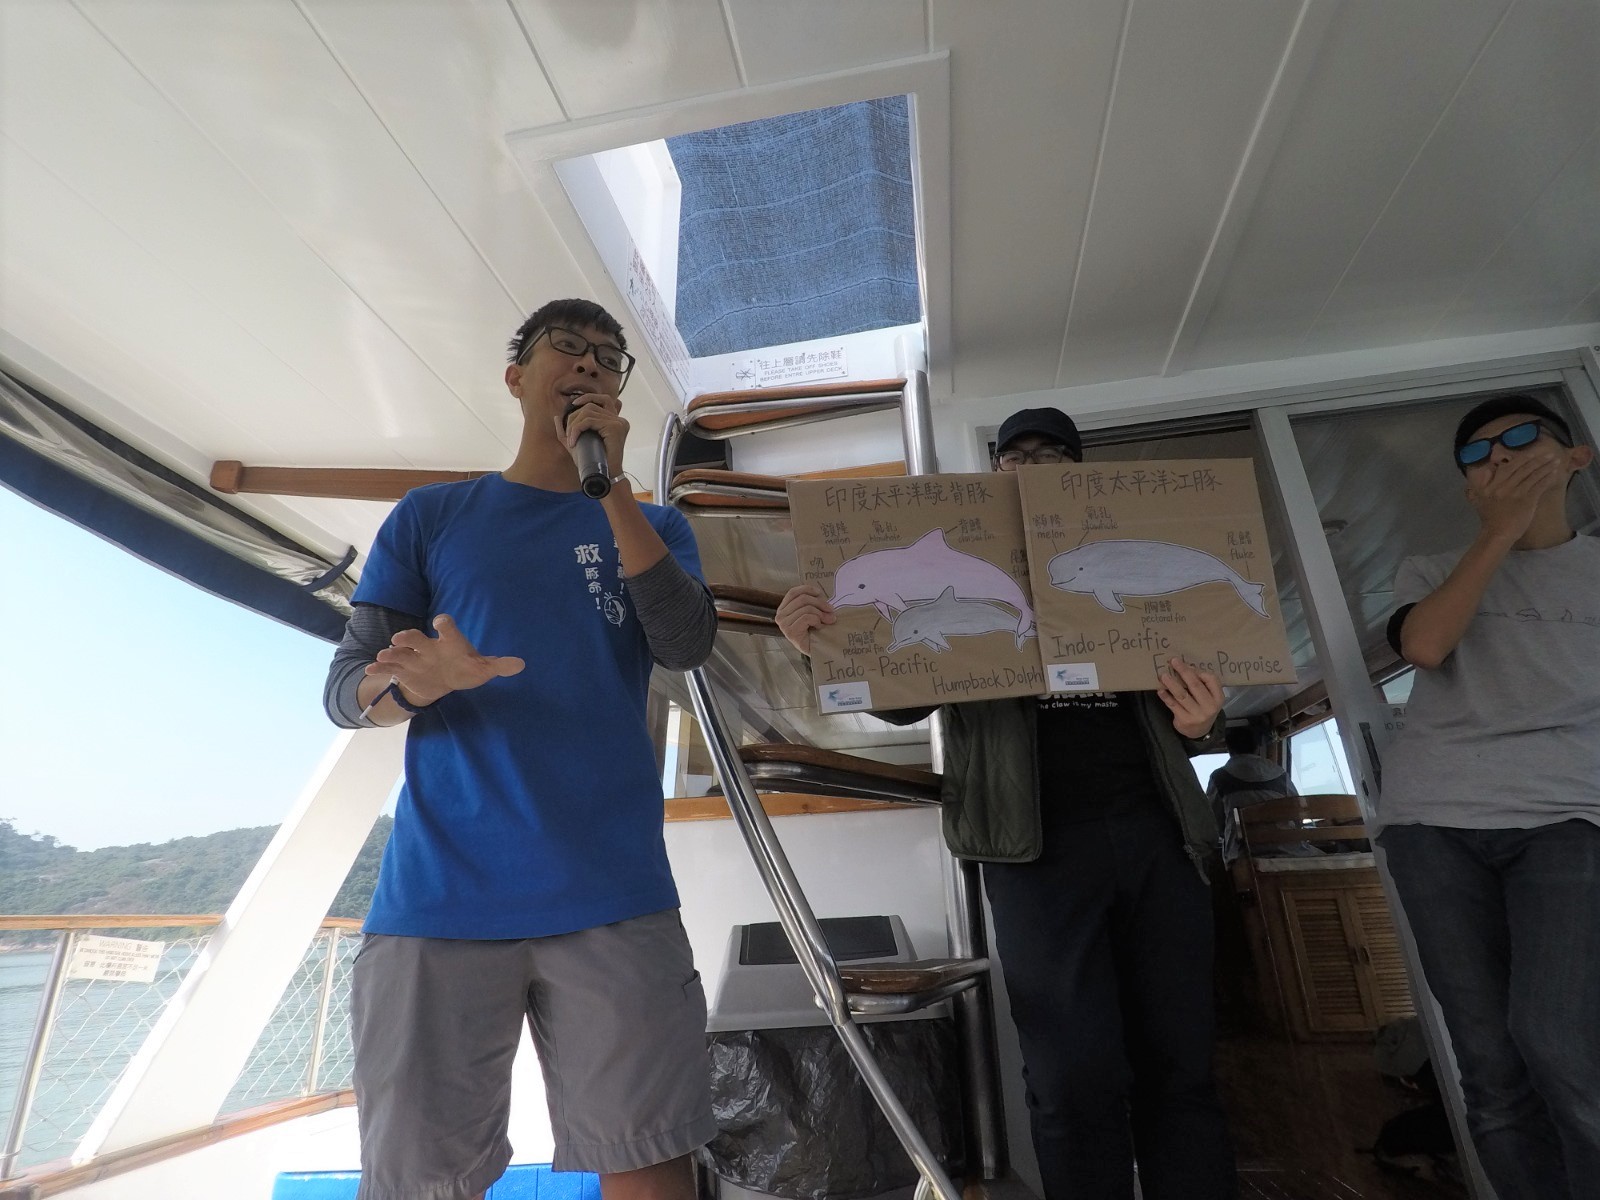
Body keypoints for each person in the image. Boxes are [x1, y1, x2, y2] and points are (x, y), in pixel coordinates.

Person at [775, 408, 1236, 1200]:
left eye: (1055, 454)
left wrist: (1205, 722)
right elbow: (897, 701)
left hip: (1164, 837)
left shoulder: (1117, 560)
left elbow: (1198, 696)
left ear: (1079, 475)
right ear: (994, 471)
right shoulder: (947, 571)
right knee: (1068, 1076)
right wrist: (821, 641)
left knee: (1183, 1064)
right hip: (1033, 853)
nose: (1033, 465)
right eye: (1015, 455)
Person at [322, 299, 719, 1200]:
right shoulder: (432, 517)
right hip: (439, 899)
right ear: (516, 376)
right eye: (566, 349)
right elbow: (346, 690)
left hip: (613, 890)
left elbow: (686, 644)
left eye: (608, 359)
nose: (588, 366)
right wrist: (416, 685)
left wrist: (612, 489)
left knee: (651, 1161)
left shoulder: (659, 527)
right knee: (416, 1177)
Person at [1381, 393, 1600, 1198]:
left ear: (1576, 457)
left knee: (1561, 1043)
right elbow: (1426, 644)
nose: (1498, 457)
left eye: (1518, 439)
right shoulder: (1432, 570)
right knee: (1488, 1063)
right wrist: (1500, 532)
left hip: (1571, 818)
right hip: (1434, 822)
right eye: (1478, 455)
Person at [1206, 725, 1297, 863]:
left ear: (1229, 749)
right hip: (1289, 852)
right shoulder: (1280, 774)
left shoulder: (1219, 777)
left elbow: (1214, 823)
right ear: (1257, 748)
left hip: (1243, 856)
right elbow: (1296, 814)